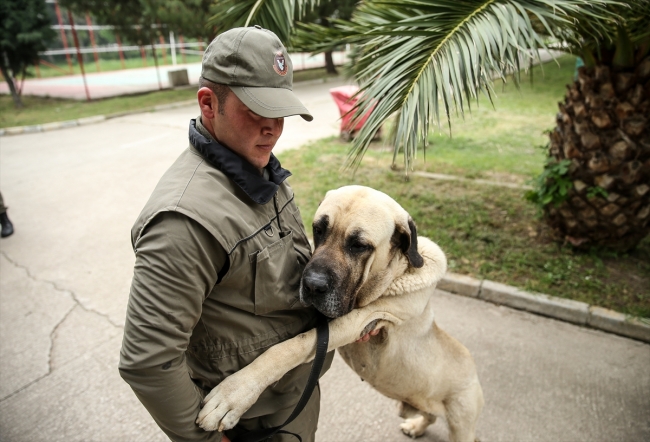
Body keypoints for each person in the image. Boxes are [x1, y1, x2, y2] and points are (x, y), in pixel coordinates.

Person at [118, 26, 335, 442]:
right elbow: (147, 361)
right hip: (252, 423)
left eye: (281, 112)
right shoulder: (184, 220)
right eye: (257, 110)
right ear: (208, 103)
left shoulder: (254, 164)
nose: (273, 128)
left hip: (292, 396)